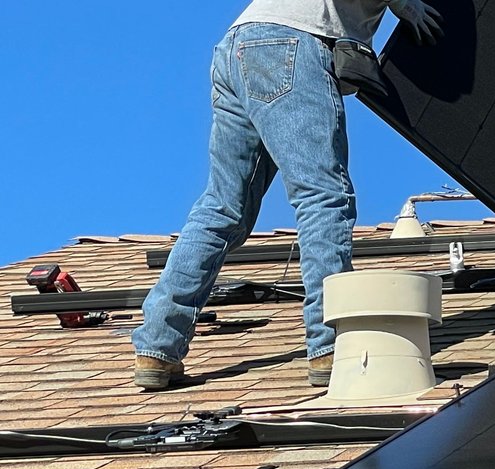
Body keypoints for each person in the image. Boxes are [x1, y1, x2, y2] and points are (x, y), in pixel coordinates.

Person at [131, 0, 443, 390]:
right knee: (324, 196)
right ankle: (331, 346)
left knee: (223, 208)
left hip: (240, 46)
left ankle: (157, 346)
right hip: (293, 42)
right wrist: (406, 6)